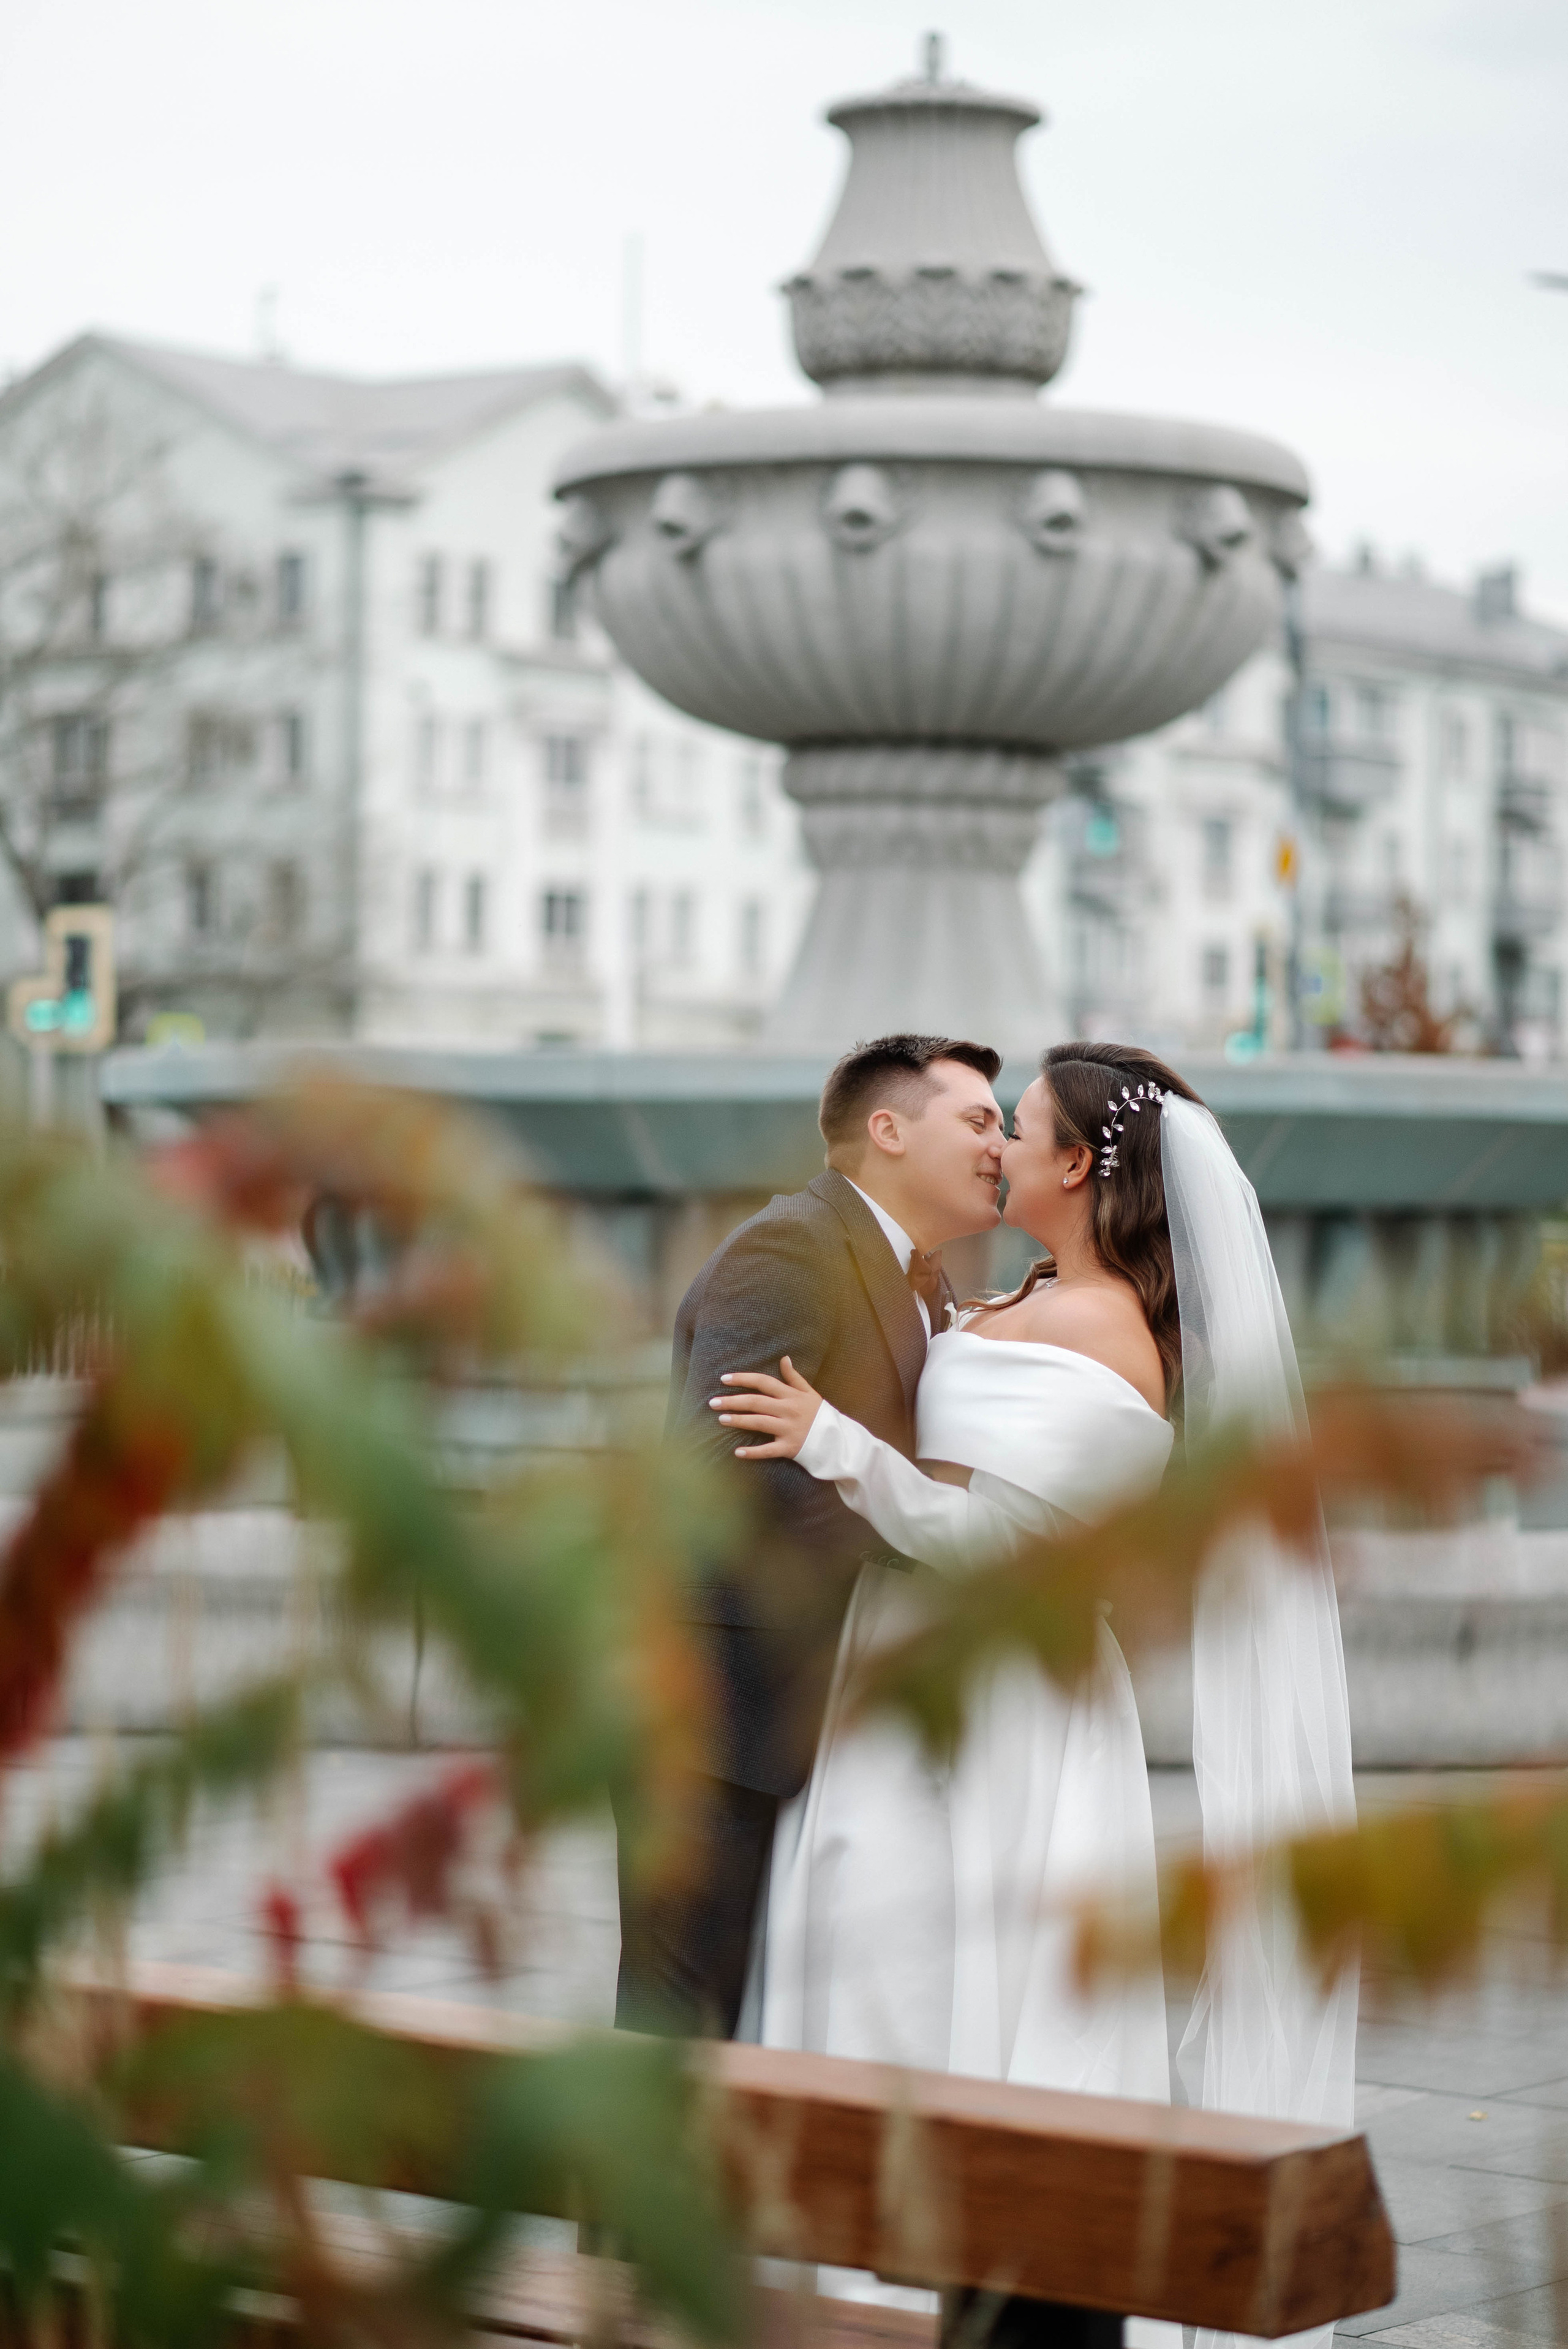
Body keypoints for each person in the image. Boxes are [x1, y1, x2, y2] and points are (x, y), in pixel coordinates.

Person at [712, 1041, 1357, 2349]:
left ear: (1079, 1164)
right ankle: (848, 2294)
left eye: (1018, 1127)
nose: (996, 1146)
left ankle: (948, 2297)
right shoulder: (1018, 1292)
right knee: (861, 1959)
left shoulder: (1116, 1346)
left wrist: (833, 1445)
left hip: (1007, 1713)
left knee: (963, 1991)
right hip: (898, 1684)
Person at [614, 1033, 1008, 2038]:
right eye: (976, 1119)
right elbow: (722, 1469)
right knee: (682, 2023)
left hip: (820, 1723)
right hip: (720, 1718)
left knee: (756, 2028)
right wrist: (928, 1544)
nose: (999, 1143)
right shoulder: (790, 1246)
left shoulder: (927, 1284)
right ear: (887, 1129)